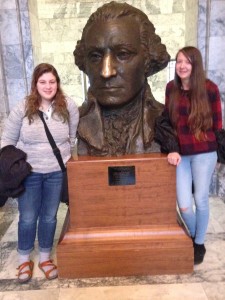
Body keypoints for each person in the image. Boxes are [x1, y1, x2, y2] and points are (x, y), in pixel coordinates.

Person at [1, 63, 79, 283]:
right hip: (30, 173)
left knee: (49, 217)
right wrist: (12, 165)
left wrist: (66, 156)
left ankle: (45, 257)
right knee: (27, 218)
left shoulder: (68, 106)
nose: (48, 86)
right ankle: (24, 259)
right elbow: (7, 140)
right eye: (43, 82)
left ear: (57, 84)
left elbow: (71, 137)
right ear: (35, 84)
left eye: (52, 82)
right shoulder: (23, 107)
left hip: (56, 173)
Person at [73, 1, 170, 156]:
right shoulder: (72, 122)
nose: (106, 72)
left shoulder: (166, 120)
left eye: (123, 54)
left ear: (147, 59)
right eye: (96, 56)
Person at [164, 46, 222, 264]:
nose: (182, 65)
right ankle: (198, 233)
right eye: (179, 61)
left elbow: (217, 125)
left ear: (195, 65)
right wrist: (171, 147)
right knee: (184, 204)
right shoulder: (171, 88)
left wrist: (217, 157)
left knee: (201, 199)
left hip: (204, 153)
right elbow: (168, 123)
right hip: (180, 155)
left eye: (187, 61)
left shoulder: (210, 89)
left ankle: (198, 243)